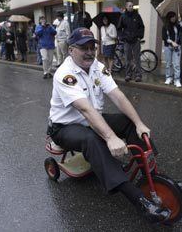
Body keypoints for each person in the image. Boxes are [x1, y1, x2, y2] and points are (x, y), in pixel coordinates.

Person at [47, 27, 171, 224]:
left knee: (128, 122)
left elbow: (117, 95)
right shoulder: (65, 74)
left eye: (92, 47)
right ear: (71, 50)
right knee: (93, 139)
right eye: (83, 48)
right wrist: (111, 138)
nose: (89, 52)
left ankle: (155, 177)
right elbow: (86, 110)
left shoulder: (96, 65)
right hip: (64, 127)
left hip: (91, 118)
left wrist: (139, 124)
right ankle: (139, 201)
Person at [117, 2, 145, 82]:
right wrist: (122, 38)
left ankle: (138, 75)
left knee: (137, 59)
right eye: (130, 6)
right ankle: (128, 74)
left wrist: (139, 37)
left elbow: (141, 27)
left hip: (136, 40)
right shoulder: (123, 16)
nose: (131, 7)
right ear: (126, 7)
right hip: (127, 41)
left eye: (132, 6)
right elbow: (119, 28)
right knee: (127, 59)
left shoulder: (137, 16)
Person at [162, 11, 182, 88]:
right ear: (169, 18)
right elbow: (164, 37)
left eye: (175, 17)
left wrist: (180, 21)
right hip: (168, 47)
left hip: (177, 47)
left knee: (177, 64)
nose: (174, 18)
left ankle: (177, 79)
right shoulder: (165, 26)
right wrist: (172, 42)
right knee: (168, 64)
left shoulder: (178, 25)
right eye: (172, 17)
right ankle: (168, 78)